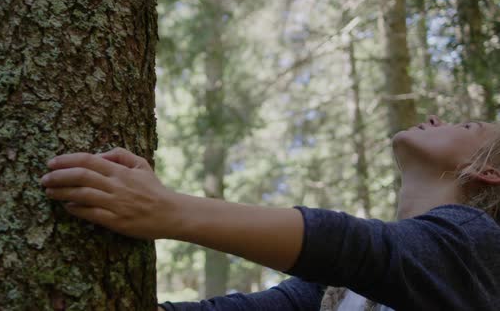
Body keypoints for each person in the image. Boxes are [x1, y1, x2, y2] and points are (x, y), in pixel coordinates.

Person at [40, 115, 500, 310]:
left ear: (490, 172)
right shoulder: (337, 291)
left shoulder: (481, 246)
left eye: (465, 125)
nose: (439, 119)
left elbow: (359, 248)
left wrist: (167, 210)